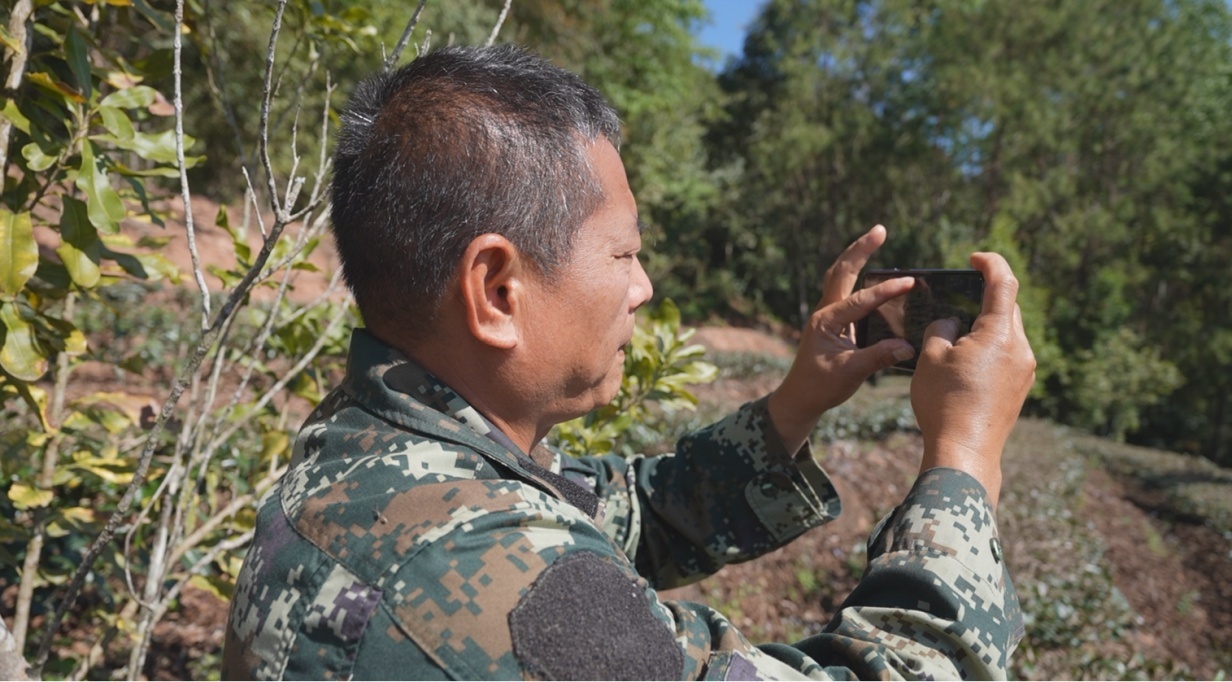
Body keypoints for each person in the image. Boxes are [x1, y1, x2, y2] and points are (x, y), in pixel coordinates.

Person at [221, 44, 1035, 681]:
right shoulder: (489, 578)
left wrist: (796, 403)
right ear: (497, 289)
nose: (643, 288)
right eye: (623, 254)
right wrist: (963, 460)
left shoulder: (375, 446)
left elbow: (623, 512)